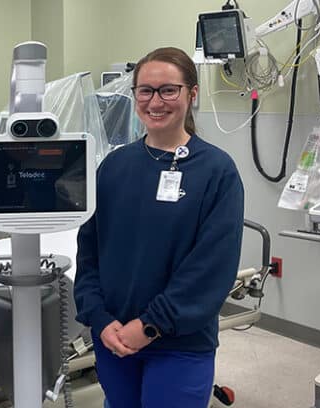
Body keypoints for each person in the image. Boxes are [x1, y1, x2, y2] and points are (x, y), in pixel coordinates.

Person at [73, 47, 244, 408]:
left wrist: (150, 325)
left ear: (191, 94)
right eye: (145, 91)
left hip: (179, 344)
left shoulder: (216, 172)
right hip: (114, 339)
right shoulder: (113, 168)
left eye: (169, 90)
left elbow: (211, 269)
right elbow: (88, 252)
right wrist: (100, 319)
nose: (156, 101)